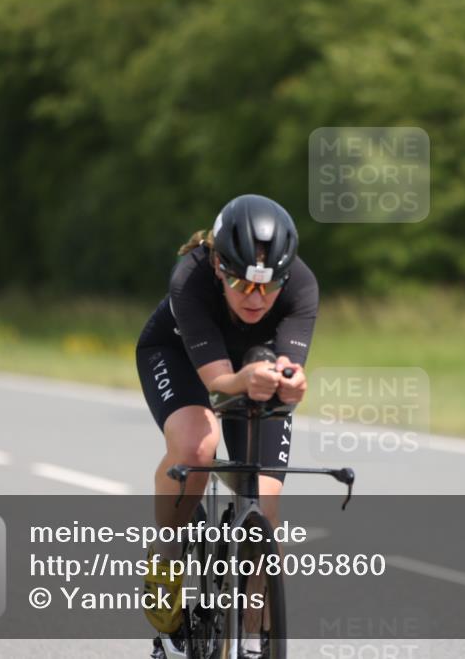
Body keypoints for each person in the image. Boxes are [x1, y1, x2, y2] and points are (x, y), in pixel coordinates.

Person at [136, 194, 318, 658]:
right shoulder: (190, 279)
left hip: (253, 365)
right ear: (219, 266)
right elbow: (218, 386)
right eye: (241, 283)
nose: (255, 298)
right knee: (197, 447)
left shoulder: (301, 285)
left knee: (266, 502)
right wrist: (247, 379)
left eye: (268, 286)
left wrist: (293, 385)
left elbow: (288, 369)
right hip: (179, 357)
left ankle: (252, 637)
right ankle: (166, 557)